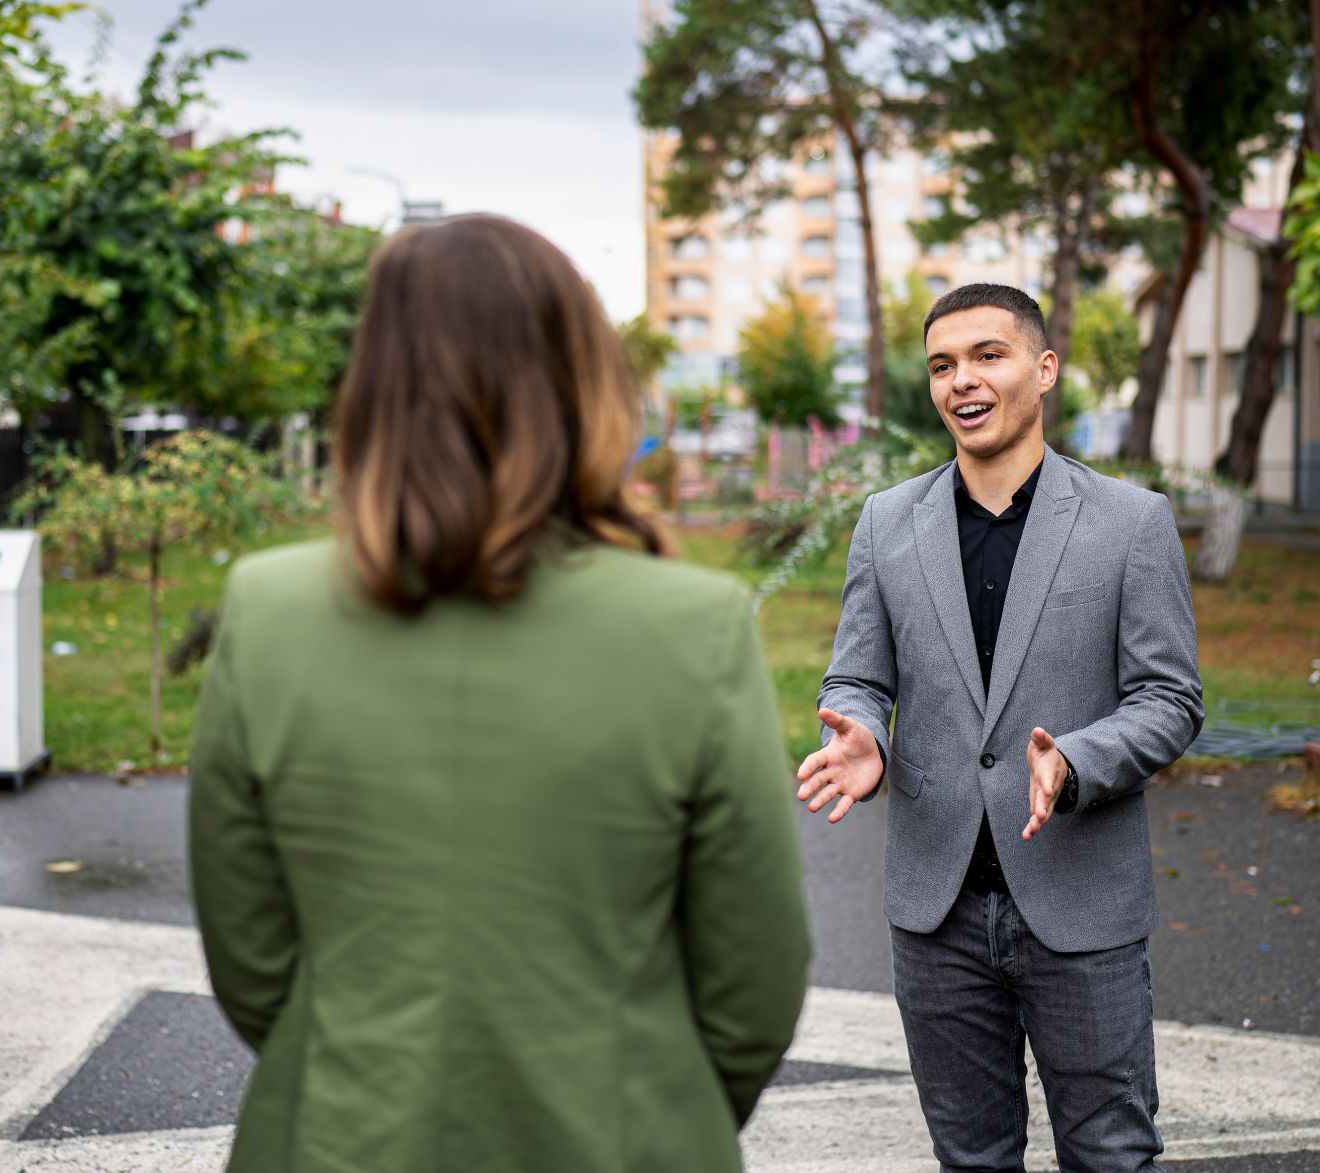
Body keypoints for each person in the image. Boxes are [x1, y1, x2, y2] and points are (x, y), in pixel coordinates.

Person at [188, 214, 809, 1173]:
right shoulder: (697, 626)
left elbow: (251, 961)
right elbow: (753, 978)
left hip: (340, 1134)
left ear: (375, 383)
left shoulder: (268, 612)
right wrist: (653, 1098)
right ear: (579, 379)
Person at [796, 283, 1203, 1172]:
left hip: (1080, 903)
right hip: (935, 913)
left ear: (1044, 369)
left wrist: (1077, 761)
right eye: (943, 364)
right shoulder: (886, 523)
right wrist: (861, 730)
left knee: (1112, 1155)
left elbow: (1170, 699)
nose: (963, 380)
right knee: (971, 1159)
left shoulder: (1132, 522)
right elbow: (858, 674)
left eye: (989, 355)